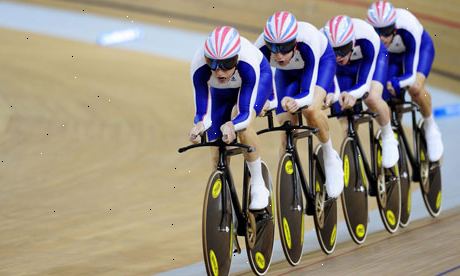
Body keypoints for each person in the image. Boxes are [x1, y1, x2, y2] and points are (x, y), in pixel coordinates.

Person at [255, 11, 344, 198]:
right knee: (286, 126)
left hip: (320, 65)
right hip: (286, 74)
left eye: (284, 48)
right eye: (274, 48)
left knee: (311, 109)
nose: (278, 56)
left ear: (294, 43)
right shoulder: (260, 47)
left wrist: (296, 102)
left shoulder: (308, 39)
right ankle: (287, 183)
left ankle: (330, 156)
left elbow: (307, 94)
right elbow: (260, 86)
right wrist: (266, 103)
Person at [189, 26, 276, 210]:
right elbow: (203, 112)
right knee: (216, 147)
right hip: (221, 91)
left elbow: (245, 114)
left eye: (226, 64)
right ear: (206, 60)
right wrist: (198, 126)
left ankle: (259, 185)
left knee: (242, 126)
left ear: (236, 58)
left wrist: (232, 125)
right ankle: (225, 205)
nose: (219, 72)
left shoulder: (248, 61)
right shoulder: (198, 66)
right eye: (213, 64)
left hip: (254, 82)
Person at [367, 0, 443, 162]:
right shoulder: (371, 35)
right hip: (391, 57)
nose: (382, 38)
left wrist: (399, 82)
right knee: (385, 97)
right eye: (377, 32)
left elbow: (410, 74)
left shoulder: (408, 26)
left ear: (394, 27)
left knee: (415, 87)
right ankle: (395, 130)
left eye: (386, 32)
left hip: (417, 50)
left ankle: (430, 127)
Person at [322, 15, 399, 168]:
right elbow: (330, 80)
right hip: (344, 69)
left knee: (372, 98)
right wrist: (334, 95)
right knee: (345, 118)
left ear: (352, 42)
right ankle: (353, 162)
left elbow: (364, 84)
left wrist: (353, 94)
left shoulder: (367, 35)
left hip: (374, 60)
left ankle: (388, 135)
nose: (338, 56)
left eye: (342, 50)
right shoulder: (322, 42)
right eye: (334, 51)